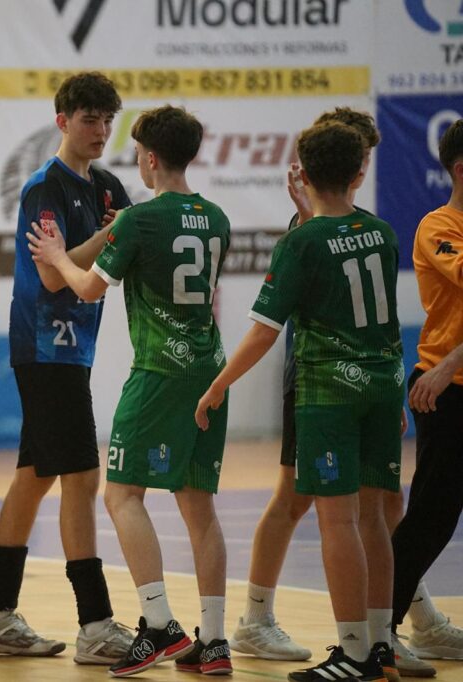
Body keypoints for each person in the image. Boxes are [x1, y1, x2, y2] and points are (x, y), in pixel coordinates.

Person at [233, 108, 443, 678]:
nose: (368, 162)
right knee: (315, 503)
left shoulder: (352, 229)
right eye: (364, 153)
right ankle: (266, 618)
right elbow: (279, 319)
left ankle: (380, 636)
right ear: (353, 166)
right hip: (331, 381)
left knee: (368, 510)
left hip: (354, 384)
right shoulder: (333, 229)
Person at [29, 105, 233, 677]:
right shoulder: (216, 217)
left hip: (159, 374)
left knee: (121, 495)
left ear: (149, 157)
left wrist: (56, 257)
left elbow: (87, 289)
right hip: (210, 372)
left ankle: (159, 624)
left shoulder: (139, 220)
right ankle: (215, 641)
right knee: (200, 509)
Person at [196, 121, 402, 682]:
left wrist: (218, 384)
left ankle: (353, 655)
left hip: (329, 393)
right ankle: (381, 647)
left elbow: (264, 332)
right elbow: (384, 319)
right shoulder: (381, 232)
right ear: (358, 173)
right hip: (383, 385)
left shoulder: (302, 242)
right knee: (374, 519)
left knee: (338, 522)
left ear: (303, 174)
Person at [0, 71, 134, 664]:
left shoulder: (110, 187)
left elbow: (120, 249)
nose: (101, 130)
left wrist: (102, 240)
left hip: (75, 348)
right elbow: (51, 274)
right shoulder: (44, 187)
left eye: (108, 120)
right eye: (90, 119)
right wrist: (105, 239)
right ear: (63, 121)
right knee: (82, 478)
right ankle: (95, 624)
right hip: (44, 346)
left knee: (33, 477)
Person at [389, 118, 463, 670]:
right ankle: (377, 630)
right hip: (448, 392)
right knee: (432, 517)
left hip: (448, 373)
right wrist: (448, 367)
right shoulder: (439, 227)